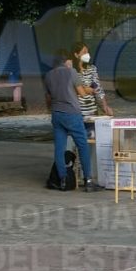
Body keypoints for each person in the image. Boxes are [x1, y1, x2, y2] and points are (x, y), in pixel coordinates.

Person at [43, 57, 98, 192]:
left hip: (56, 114)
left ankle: (63, 180)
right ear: (65, 61)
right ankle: (88, 181)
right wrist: (90, 90)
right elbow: (82, 93)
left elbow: (48, 99)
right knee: (83, 146)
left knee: (59, 148)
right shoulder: (71, 71)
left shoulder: (48, 75)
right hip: (72, 114)